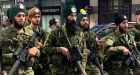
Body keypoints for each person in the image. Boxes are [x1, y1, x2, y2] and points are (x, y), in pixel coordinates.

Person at [43, 4, 88, 75]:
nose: (73, 18)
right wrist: (59, 49)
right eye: (71, 15)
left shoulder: (80, 33)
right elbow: (45, 49)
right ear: (66, 17)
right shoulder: (56, 32)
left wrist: (82, 68)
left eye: (75, 15)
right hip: (59, 71)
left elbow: (84, 52)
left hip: (75, 70)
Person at [0, 4, 39, 75]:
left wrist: (36, 51)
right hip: (8, 71)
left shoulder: (31, 33)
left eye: (23, 16)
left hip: (27, 72)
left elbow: (38, 51)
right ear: (12, 17)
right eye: (19, 16)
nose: (22, 18)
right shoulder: (3, 33)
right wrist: (2, 70)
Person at [77, 9, 102, 75]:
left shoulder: (92, 34)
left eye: (87, 20)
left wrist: (101, 62)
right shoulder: (76, 34)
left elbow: (97, 50)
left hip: (94, 64)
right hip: (82, 65)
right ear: (78, 21)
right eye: (83, 20)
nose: (86, 22)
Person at [25, 7, 47, 75]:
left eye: (39, 17)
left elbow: (47, 47)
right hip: (28, 66)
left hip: (41, 65)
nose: (37, 19)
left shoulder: (43, 32)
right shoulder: (25, 31)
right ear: (30, 18)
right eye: (35, 17)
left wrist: (41, 46)